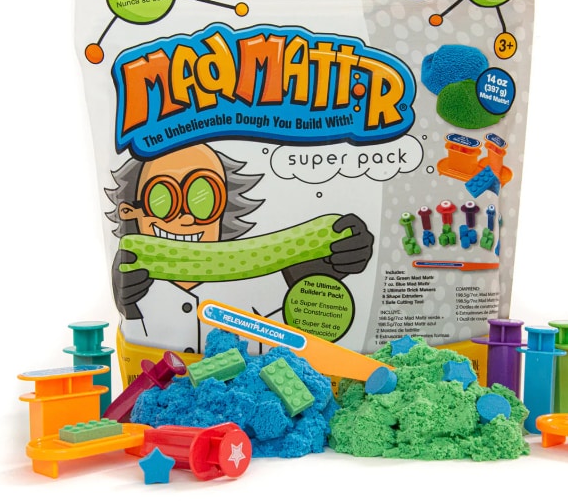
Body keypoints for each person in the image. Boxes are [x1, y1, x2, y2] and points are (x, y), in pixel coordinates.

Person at [105, 142, 373, 353]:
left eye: (203, 199)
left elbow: (292, 335)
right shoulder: (139, 292)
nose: (185, 219)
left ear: (224, 211)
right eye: (162, 200)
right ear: (130, 212)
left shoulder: (257, 288)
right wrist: (129, 304)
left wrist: (316, 275)